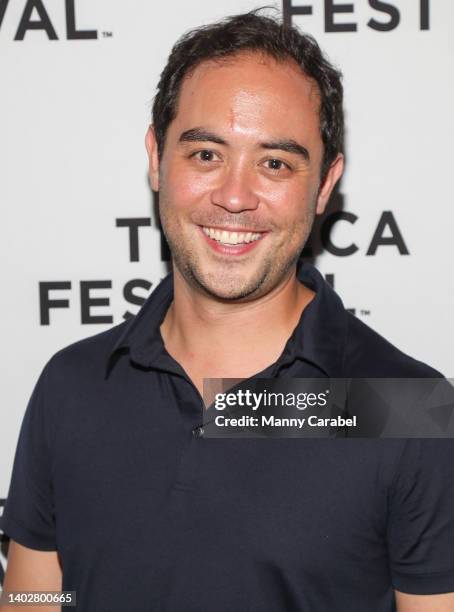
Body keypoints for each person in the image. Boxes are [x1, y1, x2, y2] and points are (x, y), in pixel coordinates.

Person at [1, 9, 454, 612]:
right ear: (156, 156)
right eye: (207, 154)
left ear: (324, 186)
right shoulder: (74, 383)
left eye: (275, 163)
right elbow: (32, 599)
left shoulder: (405, 407)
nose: (235, 197)